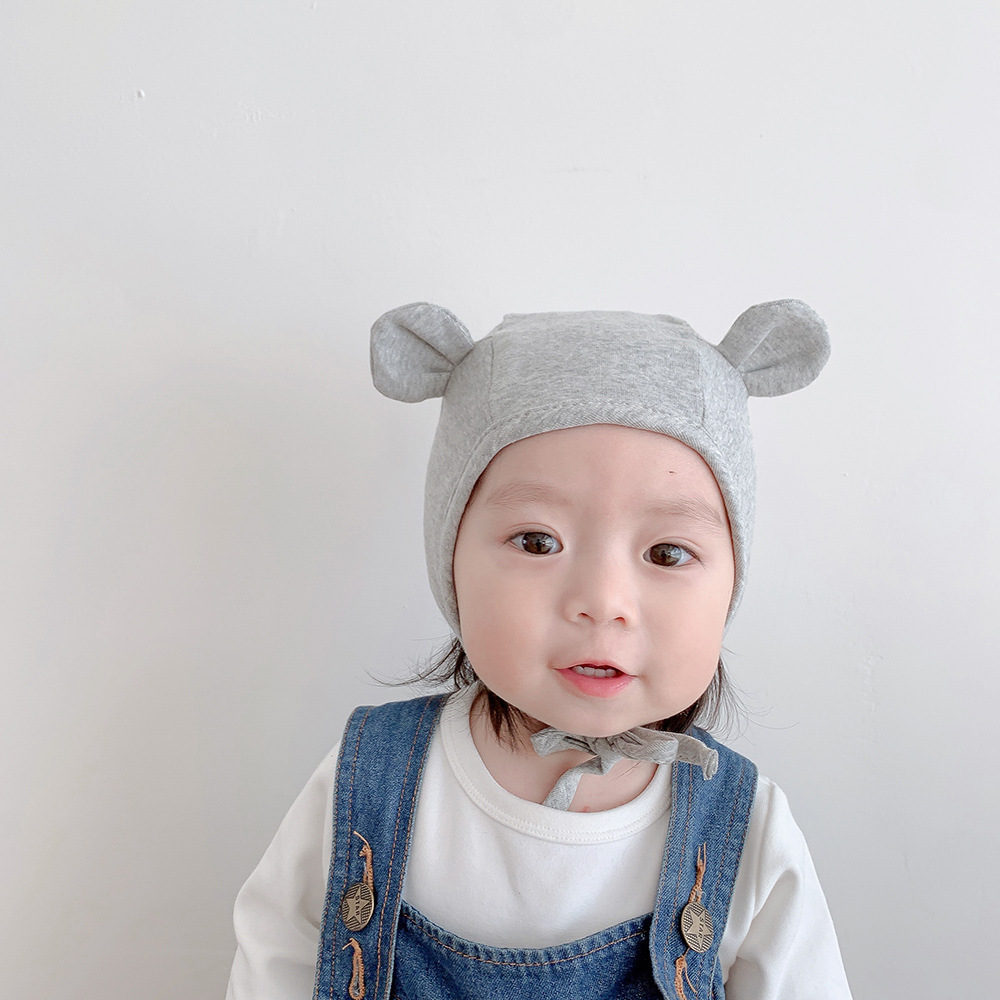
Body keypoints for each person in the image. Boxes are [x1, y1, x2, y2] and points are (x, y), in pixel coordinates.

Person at [226, 301, 853, 999]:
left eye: (667, 553)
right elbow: (273, 964)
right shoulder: (366, 785)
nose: (603, 600)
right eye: (537, 542)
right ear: (450, 561)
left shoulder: (746, 831)